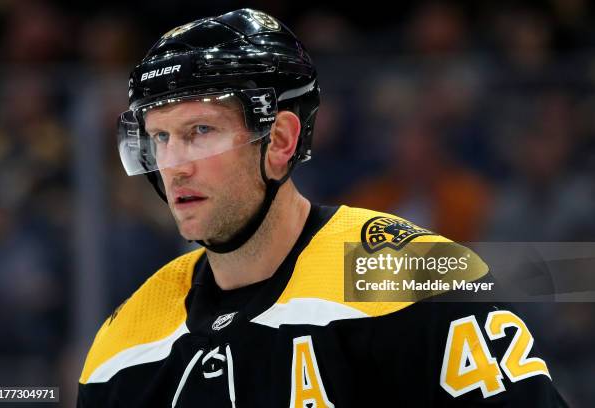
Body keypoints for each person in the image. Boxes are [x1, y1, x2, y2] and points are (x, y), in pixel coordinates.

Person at [78, 9, 567, 407]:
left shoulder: (410, 280)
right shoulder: (124, 347)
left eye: (200, 131)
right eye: (160, 138)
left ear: (281, 140)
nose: (174, 166)